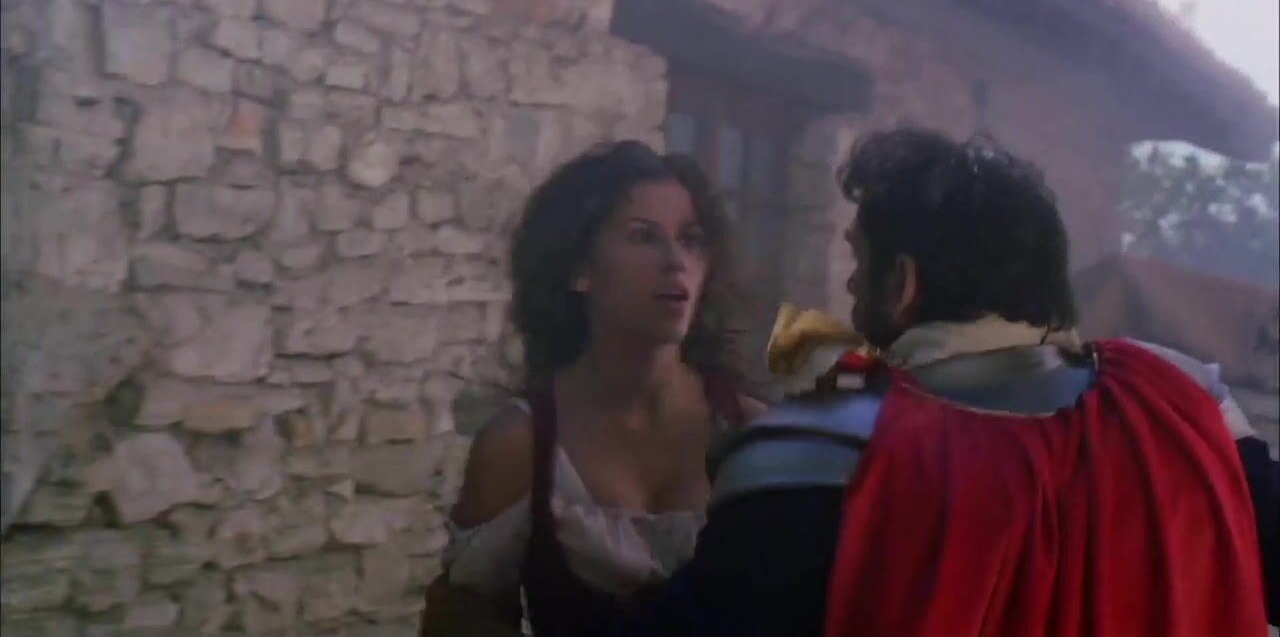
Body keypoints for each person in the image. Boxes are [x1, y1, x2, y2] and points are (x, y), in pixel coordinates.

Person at [616, 128, 1278, 636]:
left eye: (860, 259)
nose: (851, 283)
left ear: (903, 284)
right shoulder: (1182, 404)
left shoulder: (819, 454)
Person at [418, 141, 763, 636]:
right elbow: (460, 616)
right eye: (643, 236)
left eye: (691, 240)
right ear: (579, 268)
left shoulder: (752, 433)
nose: (676, 261)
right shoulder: (521, 446)